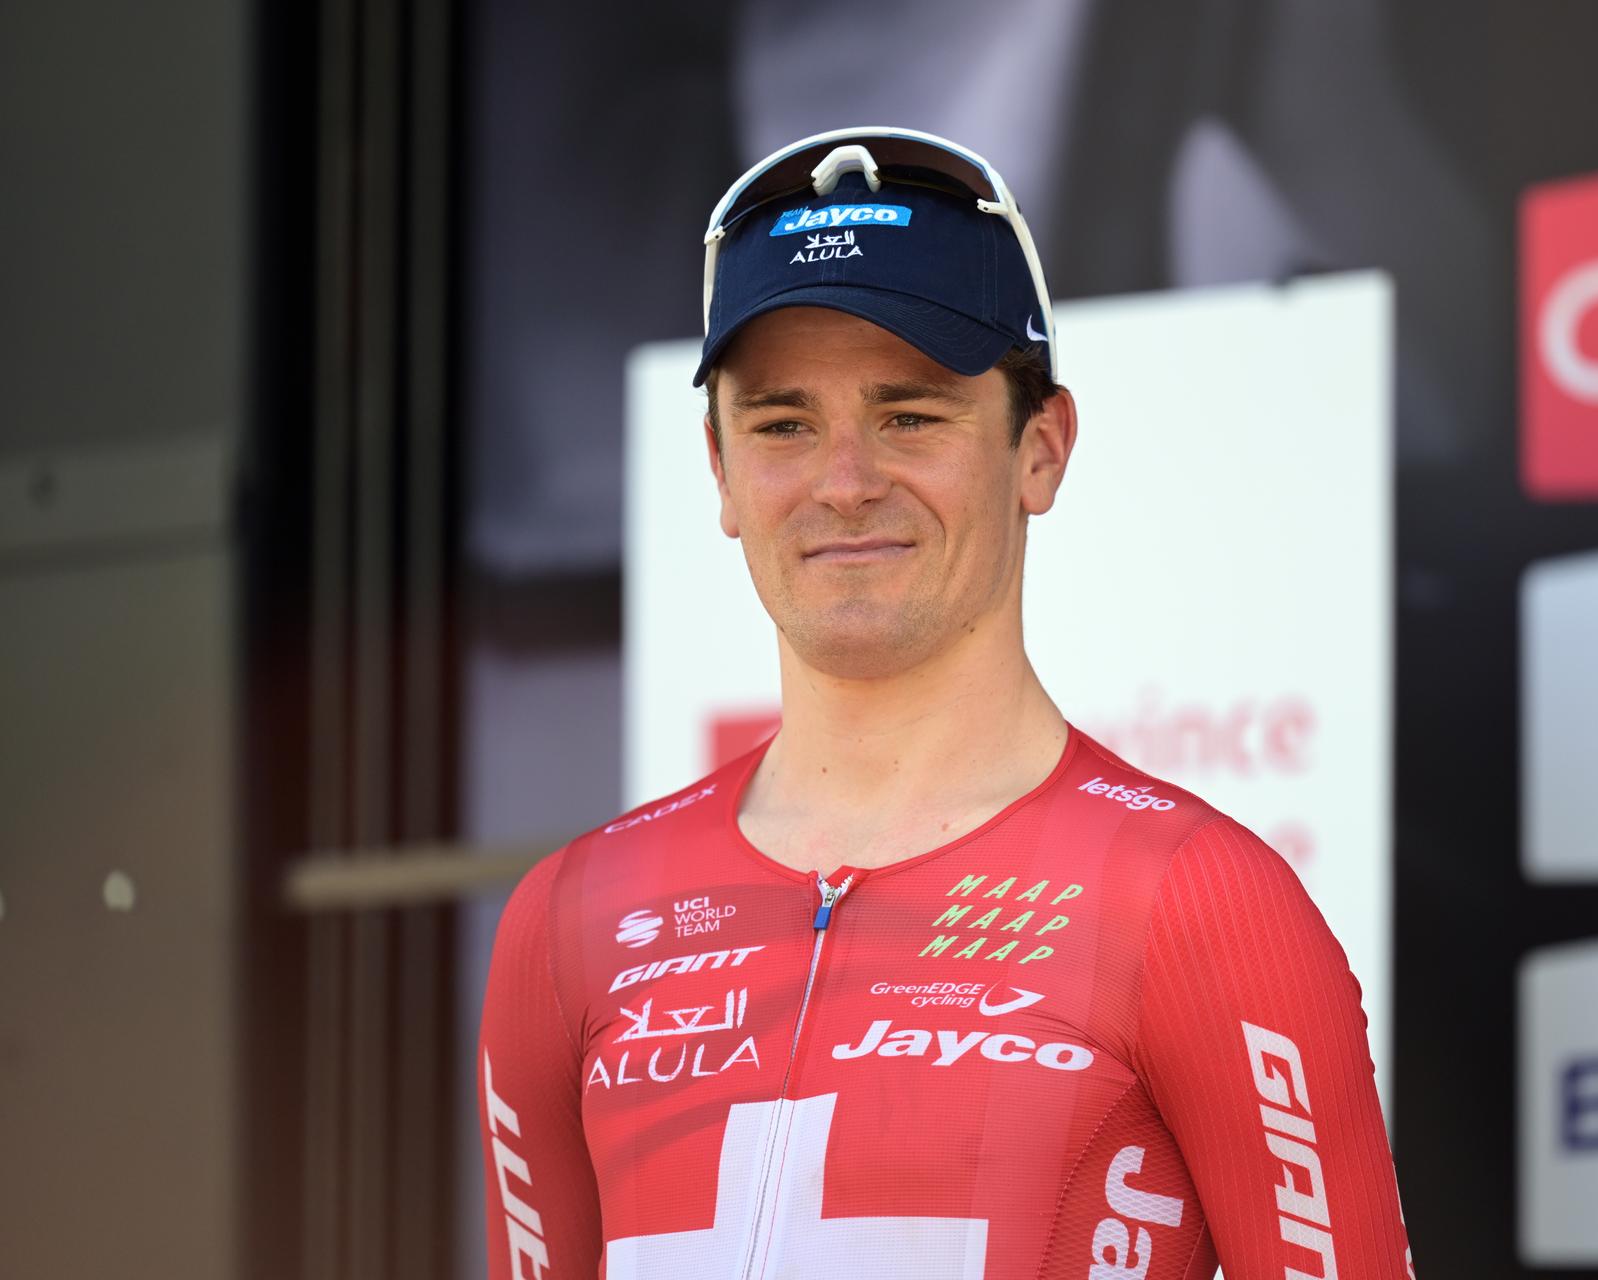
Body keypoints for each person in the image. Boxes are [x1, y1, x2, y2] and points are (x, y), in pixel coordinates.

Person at [478, 126, 1414, 1279]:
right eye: (782, 424)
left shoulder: (1199, 902)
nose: (844, 480)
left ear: (1042, 449)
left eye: (909, 414)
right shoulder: (567, 921)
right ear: (719, 471)